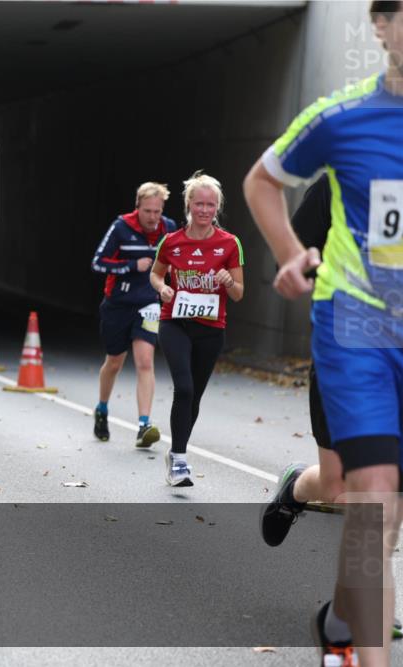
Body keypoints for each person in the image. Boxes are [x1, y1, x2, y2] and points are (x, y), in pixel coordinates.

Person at [244, 4, 403, 663]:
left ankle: (342, 617)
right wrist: (291, 255)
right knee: (371, 498)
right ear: (381, 24)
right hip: (357, 330)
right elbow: (264, 183)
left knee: (376, 500)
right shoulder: (345, 122)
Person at [149, 171, 245, 487]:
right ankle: (178, 460)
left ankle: (176, 452)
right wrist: (162, 288)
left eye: (210, 205)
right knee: (184, 387)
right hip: (174, 323)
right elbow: (156, 274)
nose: (204, 210)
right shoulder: (172, 241)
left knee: (195, 398)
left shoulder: (229, 243)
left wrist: (228, 281)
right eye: (199, 203)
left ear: (217, 208)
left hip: (211, 328)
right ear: (189, 204)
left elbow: (239, 292)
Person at [90, 182, 176, 447]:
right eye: (148, 210)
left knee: (145, 361)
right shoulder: (121, 227)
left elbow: (177, 260)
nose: (153, 217)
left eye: (157, 211)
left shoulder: (169, 229)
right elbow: (98, 263)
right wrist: (131, 265)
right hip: (118, 305)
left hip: (148, 304)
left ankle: (143, 425)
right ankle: (102, 409)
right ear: (137, 207)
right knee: (114, 362)